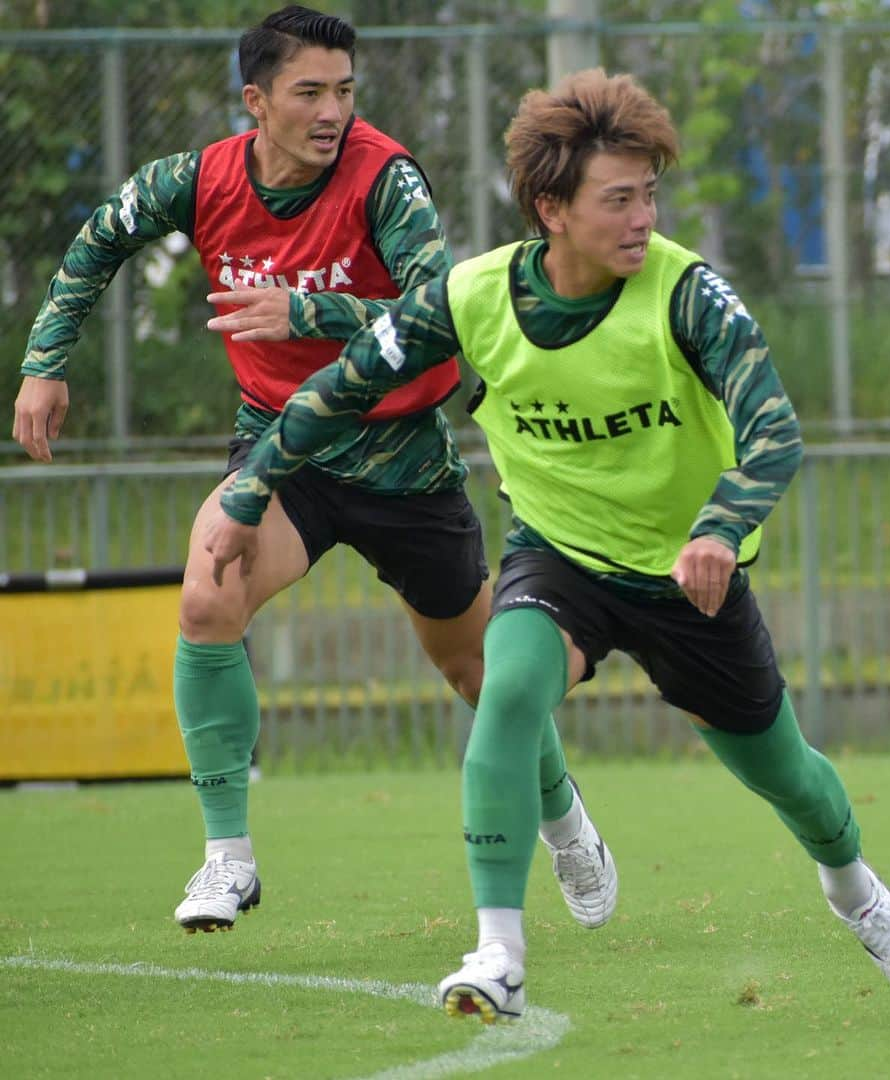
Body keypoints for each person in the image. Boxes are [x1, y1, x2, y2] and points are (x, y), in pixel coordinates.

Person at [201, 68, 890, 1019]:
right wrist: (248, 491)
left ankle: (856, 891)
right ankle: (497, 954)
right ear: (551, 207)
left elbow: (775, 433)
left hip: (687, 582)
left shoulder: (688, 293)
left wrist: (719, 528)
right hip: (559, 562)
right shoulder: (473, 296)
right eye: (618, 198)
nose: (643, 217)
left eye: (650, 194)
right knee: (504, 692)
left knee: (787, 776)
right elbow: (337, 387)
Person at [10, 6, 616, 940]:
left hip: (405, 456)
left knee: (480, 674)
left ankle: (564, 819)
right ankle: (228, 860)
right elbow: (99, 240)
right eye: (309, 92)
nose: (332, 110)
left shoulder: (387, 176)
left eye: (344, 91)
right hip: (283, 450)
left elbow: (438, 307)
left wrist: (307, 311)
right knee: (207, 592)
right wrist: (45, 362)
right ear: (256, 101)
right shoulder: (199, 179)